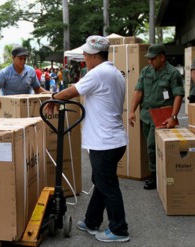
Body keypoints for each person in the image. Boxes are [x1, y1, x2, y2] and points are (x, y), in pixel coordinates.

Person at [45, 35, 129, 243]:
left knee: (107, 184)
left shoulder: (98, 73)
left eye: (85, 53)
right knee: (101, 182)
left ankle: (119, 229)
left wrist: (54, 98)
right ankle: (91, 221)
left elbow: (71, 92)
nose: (83, 56)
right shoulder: (114, 72)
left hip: (105, 141)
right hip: (113, 139)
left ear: (93, 55)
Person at [128, 44, 184, 190]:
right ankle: (159, 172)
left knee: (152, 146)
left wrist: (173, 116)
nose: (149, 62)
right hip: (146, 114)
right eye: (148, 59)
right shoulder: (146, 71)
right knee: (151, 145)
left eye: (152, 59)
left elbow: (178, 95)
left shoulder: (172, 73)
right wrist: (132, 110)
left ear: (162, 57)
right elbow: (138, 91)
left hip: (162, 115)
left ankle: (154, 176)